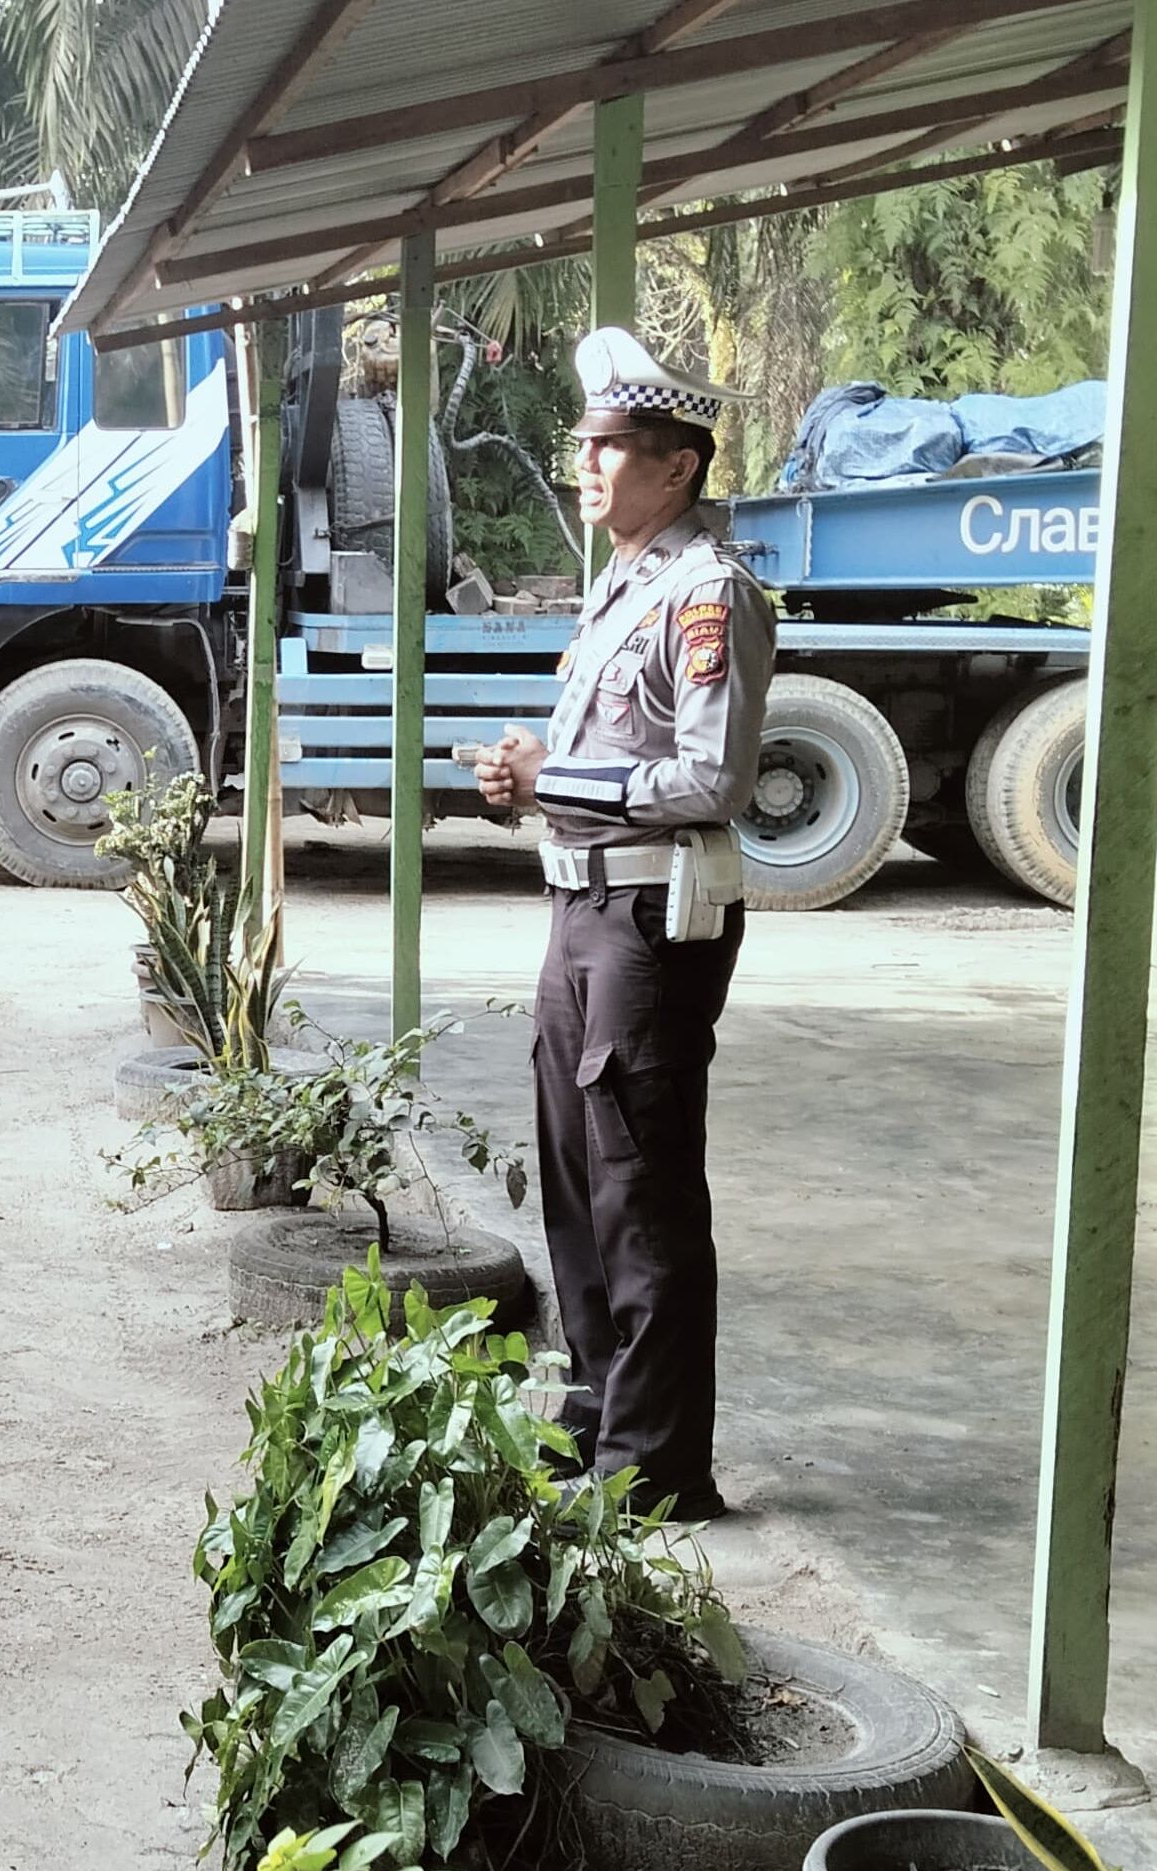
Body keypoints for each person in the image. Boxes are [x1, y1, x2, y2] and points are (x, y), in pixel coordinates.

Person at [467, 326, 775, 1526]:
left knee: (640, 1192)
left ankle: (656, 1471)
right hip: (582, 904)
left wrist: (558, 781)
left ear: (677, 464)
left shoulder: (709, 595)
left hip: (652, 921)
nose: (584, 469)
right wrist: (522, 789)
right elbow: (602, 759)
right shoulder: (624, 587)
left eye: (606, 449)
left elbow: (712, 777)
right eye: (584, 447)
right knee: (575, 1181)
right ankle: (596, 1425)